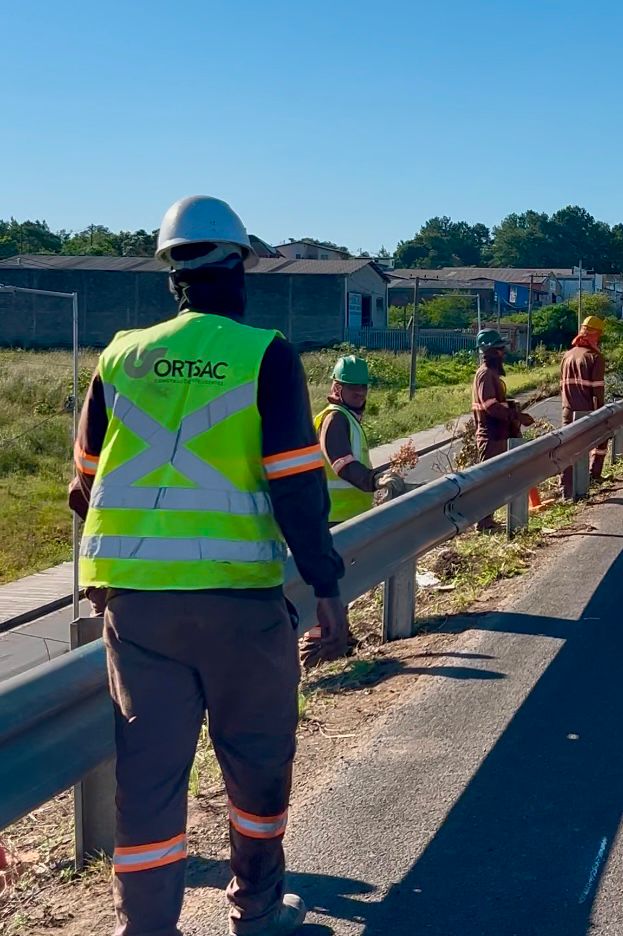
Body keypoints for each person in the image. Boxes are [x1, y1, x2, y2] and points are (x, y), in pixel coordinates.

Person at [68, 195, 347, 936]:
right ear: (240, 269)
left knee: (149, 781)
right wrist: (326, 586)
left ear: (172, 277)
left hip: (137, 609)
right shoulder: (265, 355)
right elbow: (297, 488)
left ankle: (147, 930)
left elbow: (85, 484)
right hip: (238, 606)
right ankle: (255, 912)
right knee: (255, 765)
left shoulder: (119, 358)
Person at [298, 354, 376, 668]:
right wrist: (374, 480)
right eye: (351, 386)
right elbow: (341, 462)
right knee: (326, 586)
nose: (359, 392)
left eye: (362, 386)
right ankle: (315, 652)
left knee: (340, 584)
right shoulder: (336, 418)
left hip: (342, 516)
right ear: (336, 386)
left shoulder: (348, 417)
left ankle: (340, 638)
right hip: (331, 517)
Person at [471, 329, 532, 531]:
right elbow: (490, 406)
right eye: (500, 350)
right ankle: (484, 523)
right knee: (489, 481)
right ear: (490, 352)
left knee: (496, 480)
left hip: (499, 434)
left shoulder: (490, 374)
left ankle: (488, 521)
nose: (503, 353)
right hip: (491, 436)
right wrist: (517, 417)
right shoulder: (486, 375)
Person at [560, 315, 608, 498]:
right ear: (596, 335)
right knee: (601, 438)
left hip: (567, 409)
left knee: (568, 447)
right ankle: (593, 475)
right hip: (586, 410)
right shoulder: (594, 357)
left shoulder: (567, 355)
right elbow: (597, 391)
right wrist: (602, 412)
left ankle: (566, 487)